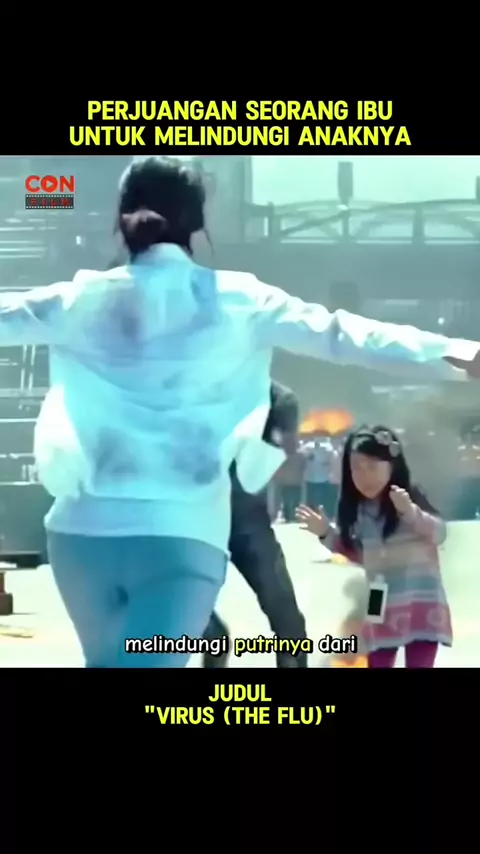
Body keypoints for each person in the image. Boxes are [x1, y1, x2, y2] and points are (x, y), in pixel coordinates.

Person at [1, 155, 479, 669]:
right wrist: (457, 354)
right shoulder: (243, 300)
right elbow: (342, 334)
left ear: (121, 218)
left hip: (80, 536)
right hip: (182, 536)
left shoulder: (74, 299)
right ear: (196, 223)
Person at [296, 426, 452, 668]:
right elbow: (360, 555)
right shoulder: (357, 510)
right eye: (356, 468)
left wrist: (410, 512)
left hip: (421, 596)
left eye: (372, 466)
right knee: (377, 661)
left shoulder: (411, 498)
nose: (364, 475)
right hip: (378, 597)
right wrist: (326, 533)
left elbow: (439, 533)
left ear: (391, 465)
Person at [203, 382, 308, 668]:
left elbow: (286, 458)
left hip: (243, 518)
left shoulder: (275, 397)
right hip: (196, 517)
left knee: (286, 620)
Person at [303, 436, 338, 517]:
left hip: (323, 478)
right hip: (311, 478)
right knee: (311, 500)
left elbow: (332, 461)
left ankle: (323, 515)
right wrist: (308, 457)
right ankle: (310, 516)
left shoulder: (328, 448)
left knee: (322, 500)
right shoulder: (307, 447)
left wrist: (326, 463)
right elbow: (302, 457)